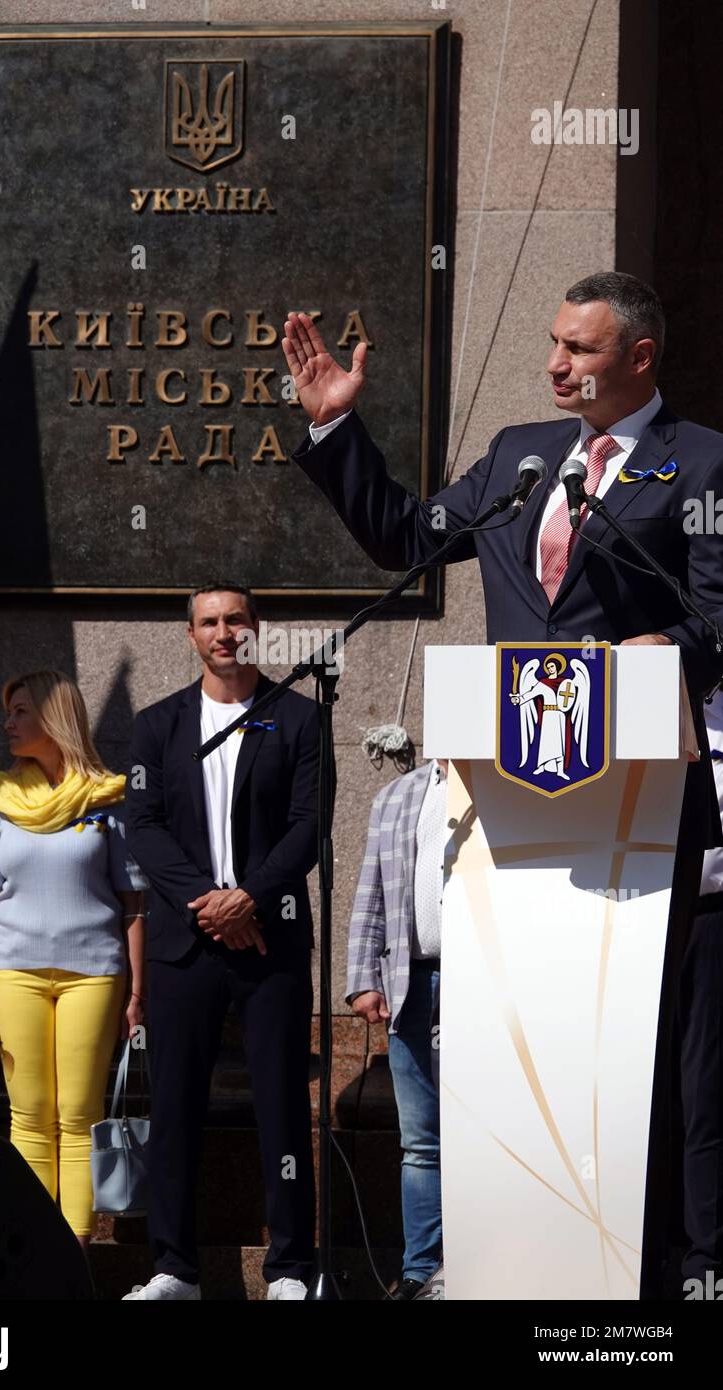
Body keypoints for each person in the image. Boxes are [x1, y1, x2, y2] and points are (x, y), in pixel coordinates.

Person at [283, 271, 723, 1296]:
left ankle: (641, 1281)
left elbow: (714, 619)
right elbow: (406, 537)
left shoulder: (699, 462)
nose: (553, 363)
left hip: (637, 811)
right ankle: (519, 1272)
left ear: (638, 358)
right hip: (509, 815)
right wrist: (338, 435)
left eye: (578, 349)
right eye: (552, 343)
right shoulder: (520, 454)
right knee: (521, 1055)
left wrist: (672, 651)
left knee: (626, 1063)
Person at [122, 583, 319, 1301]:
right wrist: (207, 902)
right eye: (209, 622)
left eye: (236, 619)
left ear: (256, 628)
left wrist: (250, 898)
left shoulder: (298, 717)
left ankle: (293, 1268)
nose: (224, 632)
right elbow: (142, 823)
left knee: (282, 1104)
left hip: (269, 943)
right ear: (191, 636)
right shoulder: (156, 727)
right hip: (185, 946)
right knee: (173, 1106)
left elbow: (307, 827)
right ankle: (174, 1267)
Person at [0, 669, 146, 1253]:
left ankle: (75, 1254)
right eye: (9, 712)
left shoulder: (106, 797)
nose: (7, 722)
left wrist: (138, 993)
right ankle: (34, 1252)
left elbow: (133, 907)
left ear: (54, 717)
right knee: (30, 1113)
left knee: (78, 1112)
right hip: (14, 970)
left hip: (94, 972)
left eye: (20, 711)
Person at [348, 759, 449, 1301]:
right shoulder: (398, 795)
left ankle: (487, 1261)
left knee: (488, 1134)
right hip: (412, 984)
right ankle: (422, 1271)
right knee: (420, 1141)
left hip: (486, 988)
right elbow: (373, 891)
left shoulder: (513, 786)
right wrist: (363, 978)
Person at [680, 684, 723, 1291]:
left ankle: (707, 1262)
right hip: (655, 912)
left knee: (709, 1095)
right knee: (680, 1093)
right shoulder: (663, 702)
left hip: (715, 916)